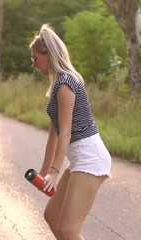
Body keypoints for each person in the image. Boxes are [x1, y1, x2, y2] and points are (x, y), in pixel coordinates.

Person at [29, 24, 112, 240]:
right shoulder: (57, 85)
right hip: (80, 160)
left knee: (68, 229)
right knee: (52, 216)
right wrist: (44, 171)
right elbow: (53, 135)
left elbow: (65, 132)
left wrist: (55, 171)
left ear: (48, 54)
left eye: (35, 58)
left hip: (90, 157)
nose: (33, 64)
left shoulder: (66, 83)